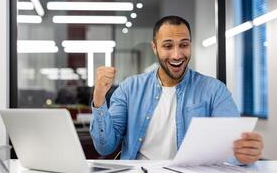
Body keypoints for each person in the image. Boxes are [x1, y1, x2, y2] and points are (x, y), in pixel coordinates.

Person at [90, 15, 263, 164]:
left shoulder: (215, 91)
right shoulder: (130, 88)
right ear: (154, 47)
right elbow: (105, 147)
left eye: (184, 45)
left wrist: (244, 154)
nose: (177, 55)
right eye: (167, 46)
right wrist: (99, 98)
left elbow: (231, 149)